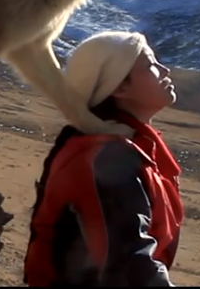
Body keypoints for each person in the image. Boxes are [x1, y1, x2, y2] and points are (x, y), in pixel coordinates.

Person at [23, 31, 185, 287]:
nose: (165, 70)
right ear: (119, 87)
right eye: (151, 65)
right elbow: (129, 268)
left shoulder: (132, 149)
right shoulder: (103, 158)